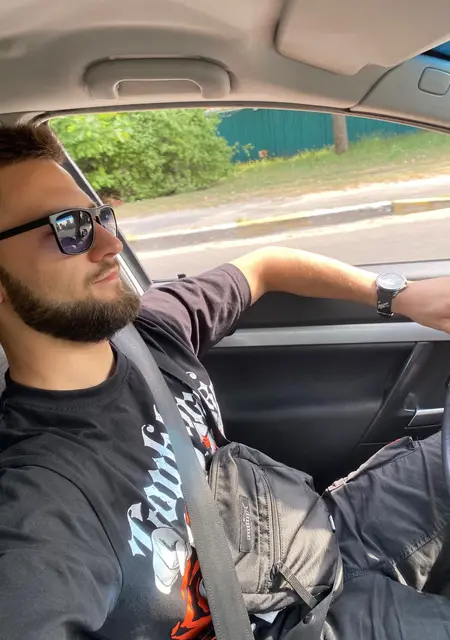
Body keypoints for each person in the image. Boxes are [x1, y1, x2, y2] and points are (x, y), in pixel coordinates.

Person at [0, 124, 448, 640]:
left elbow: (266, 266)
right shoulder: (42, 498)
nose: (110, 243)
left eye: (99, 216)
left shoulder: (149, 332)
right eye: (67, 227)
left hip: (314, 535)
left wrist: (401, 297)